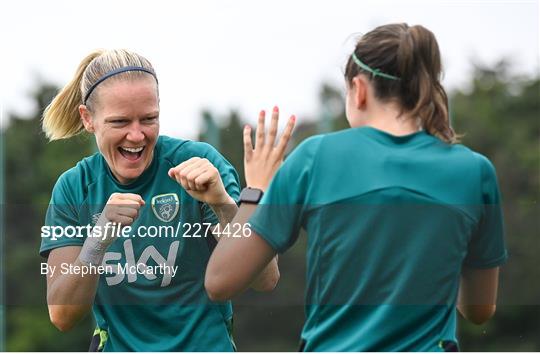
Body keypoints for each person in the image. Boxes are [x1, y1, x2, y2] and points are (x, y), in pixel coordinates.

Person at [204, 23, 507, 351]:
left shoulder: (316, 157)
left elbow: (220, 281)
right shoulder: (475, 172)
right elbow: (477, 311)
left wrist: (256, 191)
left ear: (359, 89)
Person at [39, 49, 280, 351]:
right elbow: (62, 315)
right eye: (120, 122)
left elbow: (265, 278)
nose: (137, 135)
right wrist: (98, 239)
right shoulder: (74, 188)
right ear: (88, 119)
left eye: (149, 119)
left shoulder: (200, 164)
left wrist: (221, 203)